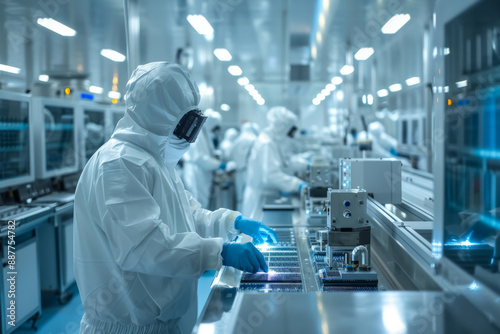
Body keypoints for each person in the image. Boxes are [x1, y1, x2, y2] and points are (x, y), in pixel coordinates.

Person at [73, 62, 277, 334]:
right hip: (129, 327)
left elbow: (188, 215)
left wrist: (233, 222)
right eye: (185, 125)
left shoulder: (153, 161)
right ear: (158, 116)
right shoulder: (119, 164)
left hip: (162, 322)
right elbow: (146, 247)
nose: (189, 137)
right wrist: (220, 252)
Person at [242, 106, 308, 219]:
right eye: (290, 129)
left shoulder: (272, 142)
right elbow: (271, 175)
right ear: (282, 128)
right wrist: (297, 185)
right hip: (258, 198)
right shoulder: (266, 144)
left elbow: (284, 162)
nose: (291, 134)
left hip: (264, 195)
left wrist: (304, 165)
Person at [182, 110, 235, 209]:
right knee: (197, 203)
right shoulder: (198, 135)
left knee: (202, 203)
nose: (215, 130)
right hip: (197, 172)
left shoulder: (204, 133)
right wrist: (219, 165)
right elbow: (200, 158)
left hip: (201, 171)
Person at [230, 122, 260, 211]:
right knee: (250, 197)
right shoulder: (255, 140)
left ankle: (238, 218)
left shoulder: (237, 140)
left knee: (240, 198)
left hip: (238, 173)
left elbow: (230, 156)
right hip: (250, 172)